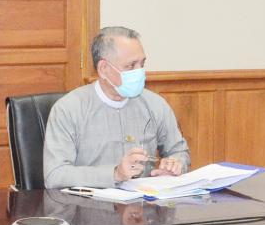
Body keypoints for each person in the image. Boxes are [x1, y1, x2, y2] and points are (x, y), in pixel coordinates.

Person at [43, 26, 192, 189]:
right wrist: (115, 174)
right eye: (131, 66)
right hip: (88, 202)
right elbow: (55, 175)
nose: (140, 72)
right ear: (103, 69)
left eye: (142, 64)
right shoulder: (68, 109)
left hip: (143, 201)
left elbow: (179, 151)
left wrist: (175, 165)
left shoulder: (155, 104)